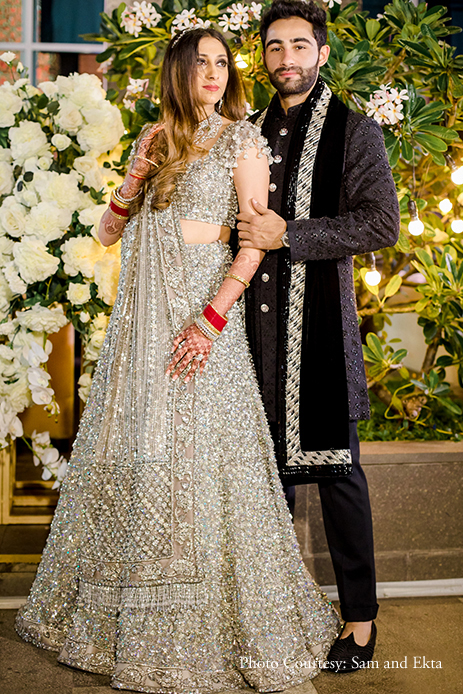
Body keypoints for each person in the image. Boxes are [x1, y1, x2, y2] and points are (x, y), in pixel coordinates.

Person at [15, 27, 341, 693]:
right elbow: (109, 232)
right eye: (201, 64)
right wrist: (135, 174)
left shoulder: (242, 140)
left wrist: (212, 318)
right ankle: (117, 619)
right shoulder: (153, 139)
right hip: (139, 336)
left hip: (199, 327)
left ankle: (203, 624)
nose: (214, 73)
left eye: (222, 63)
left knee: (198, 459)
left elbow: (253, 240)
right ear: (177, 73)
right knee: (140, 457)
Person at [237, 0, 400, 673]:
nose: (287, 59)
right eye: (274, 47)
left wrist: (291, 235)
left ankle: (359, 622)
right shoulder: (245, 132)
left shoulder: (354, 131)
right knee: (259, 482)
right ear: (263, 56)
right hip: (249, 332)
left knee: (337, 477)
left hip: (319, 336)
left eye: (299, 46)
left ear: (321, 53)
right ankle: (272, 619)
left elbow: (380, 223)